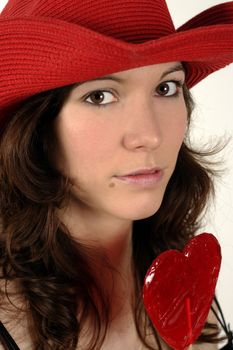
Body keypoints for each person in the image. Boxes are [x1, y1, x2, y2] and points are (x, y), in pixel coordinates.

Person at [0, 0, 233, 349]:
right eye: (99, 96)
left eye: (166, 88)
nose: (149, 135)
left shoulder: (187, 291)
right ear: (36, 130)